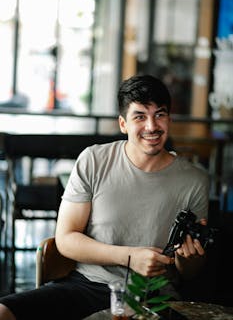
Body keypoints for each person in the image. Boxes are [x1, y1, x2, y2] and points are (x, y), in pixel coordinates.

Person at [0, 75, 209, 320]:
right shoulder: (94, 160)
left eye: (159, 114)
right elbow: (65, 239)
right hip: (86, 285)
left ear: (169, 119)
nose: (152, 126)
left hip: (153, 294)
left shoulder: (194, 180)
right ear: (123, 124)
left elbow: (190, 273)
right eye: (140, 116)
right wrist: (130, 257)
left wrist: (189, 259)